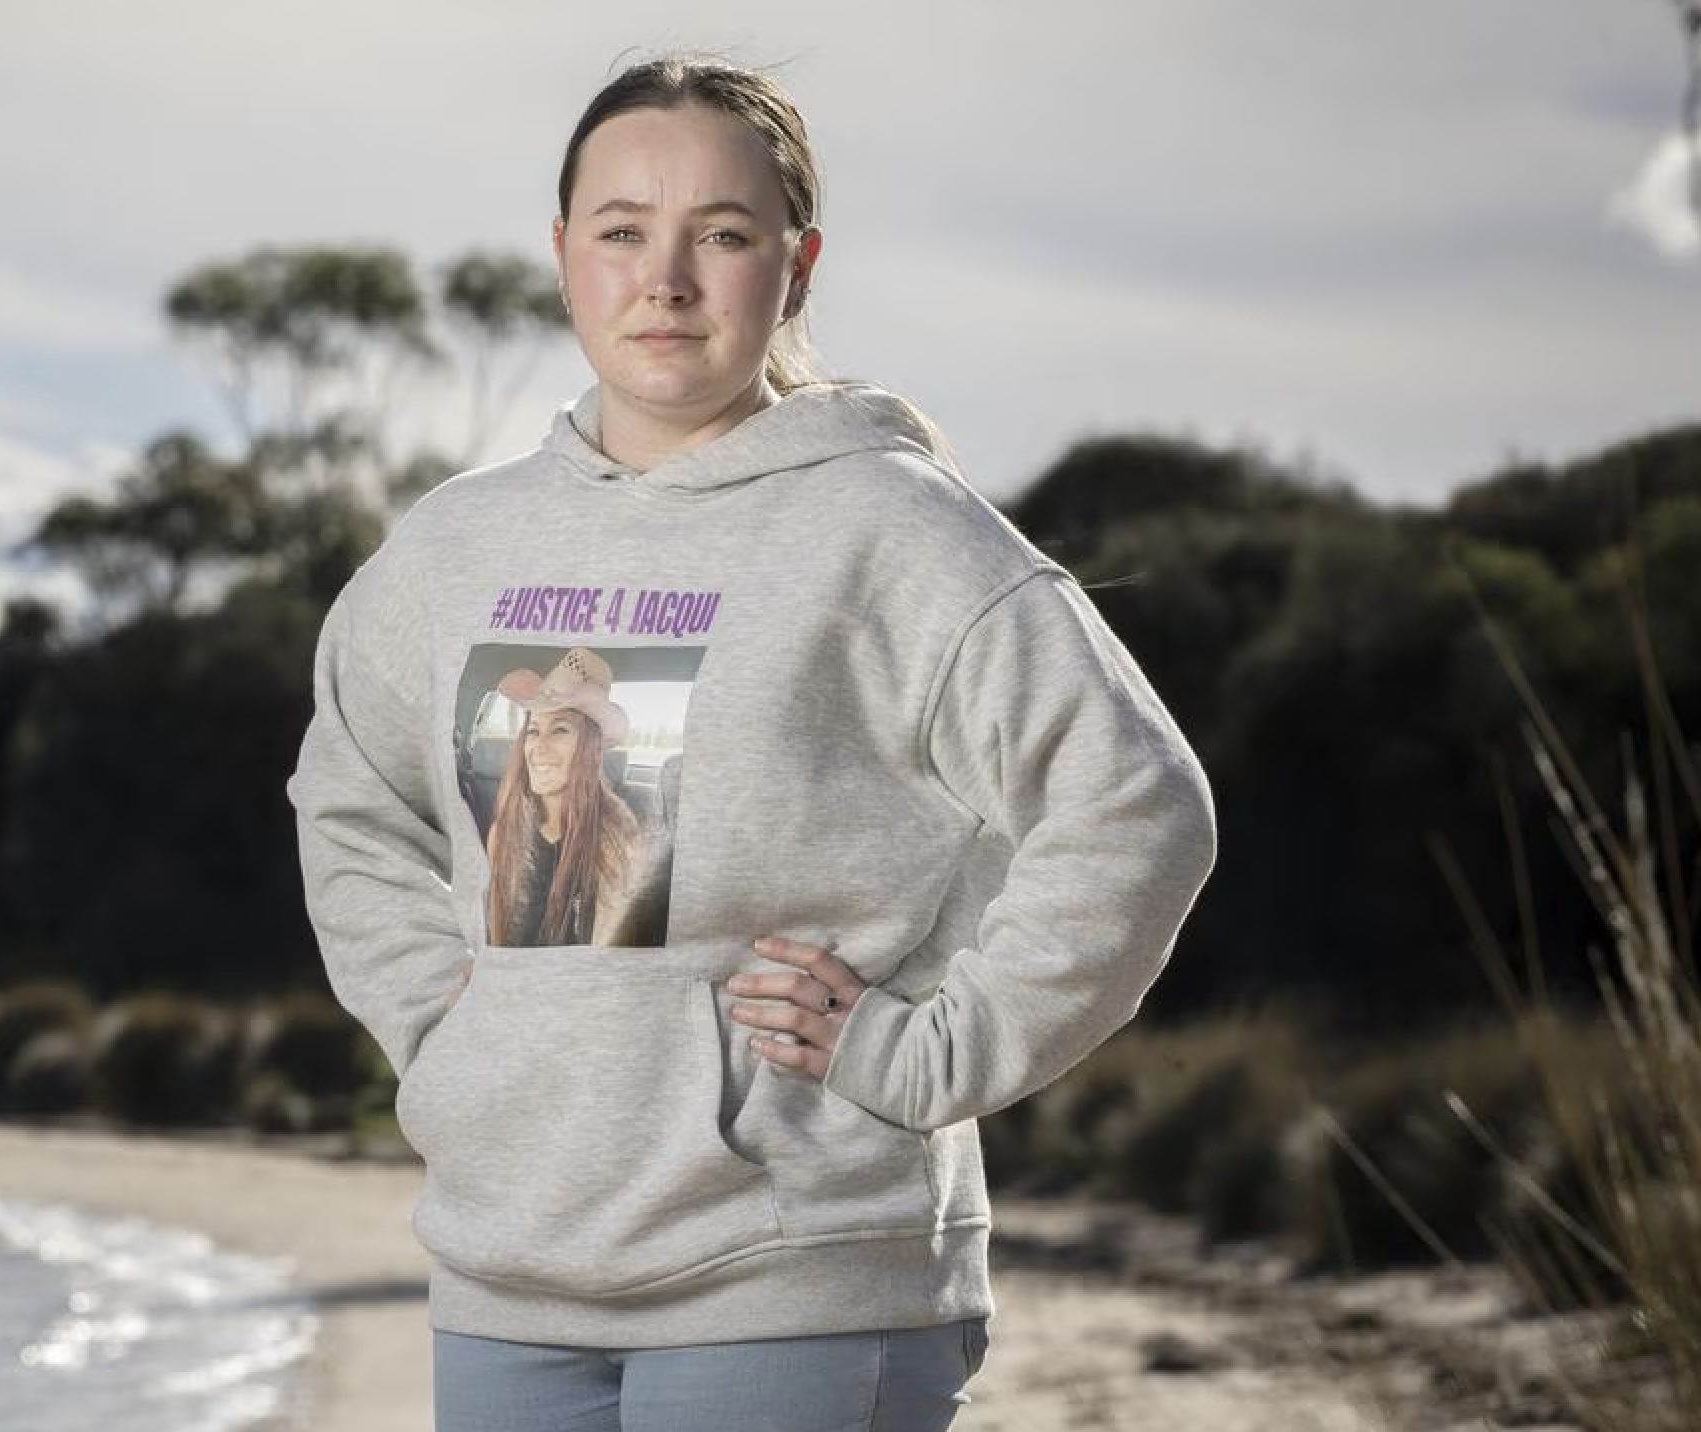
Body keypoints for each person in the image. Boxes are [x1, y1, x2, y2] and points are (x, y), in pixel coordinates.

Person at [290, 54, 1216, 1432]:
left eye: (719, 235)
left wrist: (927, 1057)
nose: (663, 280)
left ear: (795, 267)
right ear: (561, 256)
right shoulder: (454, 547)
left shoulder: (890, 530)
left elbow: (1135, 806)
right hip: (506, 1276)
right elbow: (348, 798)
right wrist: (434, 1023)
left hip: (796, 1276)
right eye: (620, 232)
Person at [483, 647, 644, 947]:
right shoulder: (502, 836)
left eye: (559, 730)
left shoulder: (614, 842)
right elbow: (497, 936)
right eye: (533, 731)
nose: (539, 747)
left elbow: (609, 953)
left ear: (590, 749)